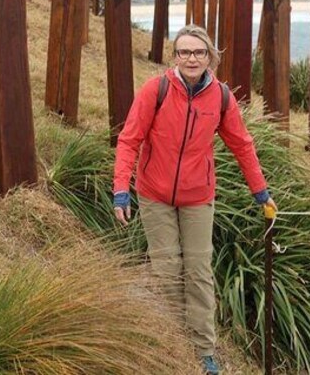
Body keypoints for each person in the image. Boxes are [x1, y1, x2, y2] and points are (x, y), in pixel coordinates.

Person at [113, 24, 277, 375]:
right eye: (184, 52)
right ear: (175, 56)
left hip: (198, 197)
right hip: (154, 194)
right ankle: (174, 339)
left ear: (210, 58)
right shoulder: (154, 90)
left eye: (199, 52)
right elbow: (129, 140)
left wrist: (260, 191)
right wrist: (121, 190)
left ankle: (204, 351)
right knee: (168, 270)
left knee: (199, 272)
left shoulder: (220, 97)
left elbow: (242, 144)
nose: (191, 58)